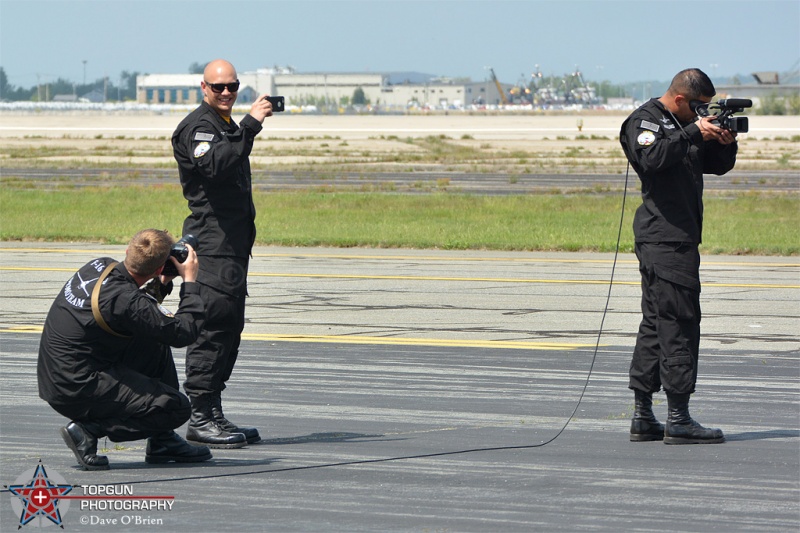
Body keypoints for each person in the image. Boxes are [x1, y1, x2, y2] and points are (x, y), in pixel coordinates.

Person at [620, 68, 738, 445]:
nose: (704, 113)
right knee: (680, 324)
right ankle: (679, 417)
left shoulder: (684, 124)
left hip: (677, 239)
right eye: (700, 107)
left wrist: (723, 140)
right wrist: (691, 132)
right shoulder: (646, 121)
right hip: (664, 240)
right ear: (680, 99)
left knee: (656, 323)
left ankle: (643, 416)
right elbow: (651, 159)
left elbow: (717, 166)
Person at [38, 229, 211, 470]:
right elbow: (183, 332)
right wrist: (190, 282)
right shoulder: (126, 299)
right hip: (76, 387)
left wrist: (162, 281)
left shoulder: (99, 266)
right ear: (159, 267)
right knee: (176, 408)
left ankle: (162, 441)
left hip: (60, 372)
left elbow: (135, 313)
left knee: (153, 340)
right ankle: (88, 431)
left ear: (128, 251)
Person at [171, 59, 275, 448]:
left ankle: (213, 411)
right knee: (212, 329)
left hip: (231, 248)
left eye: (232, 86)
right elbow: (216, 166)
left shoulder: (225, 126)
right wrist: (252, 123)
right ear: (204, 88)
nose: (227, 92)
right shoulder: (200, 127)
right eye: (219, 88)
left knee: (230, 329)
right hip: (213, 246)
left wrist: (242, 126)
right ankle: (199, 417)